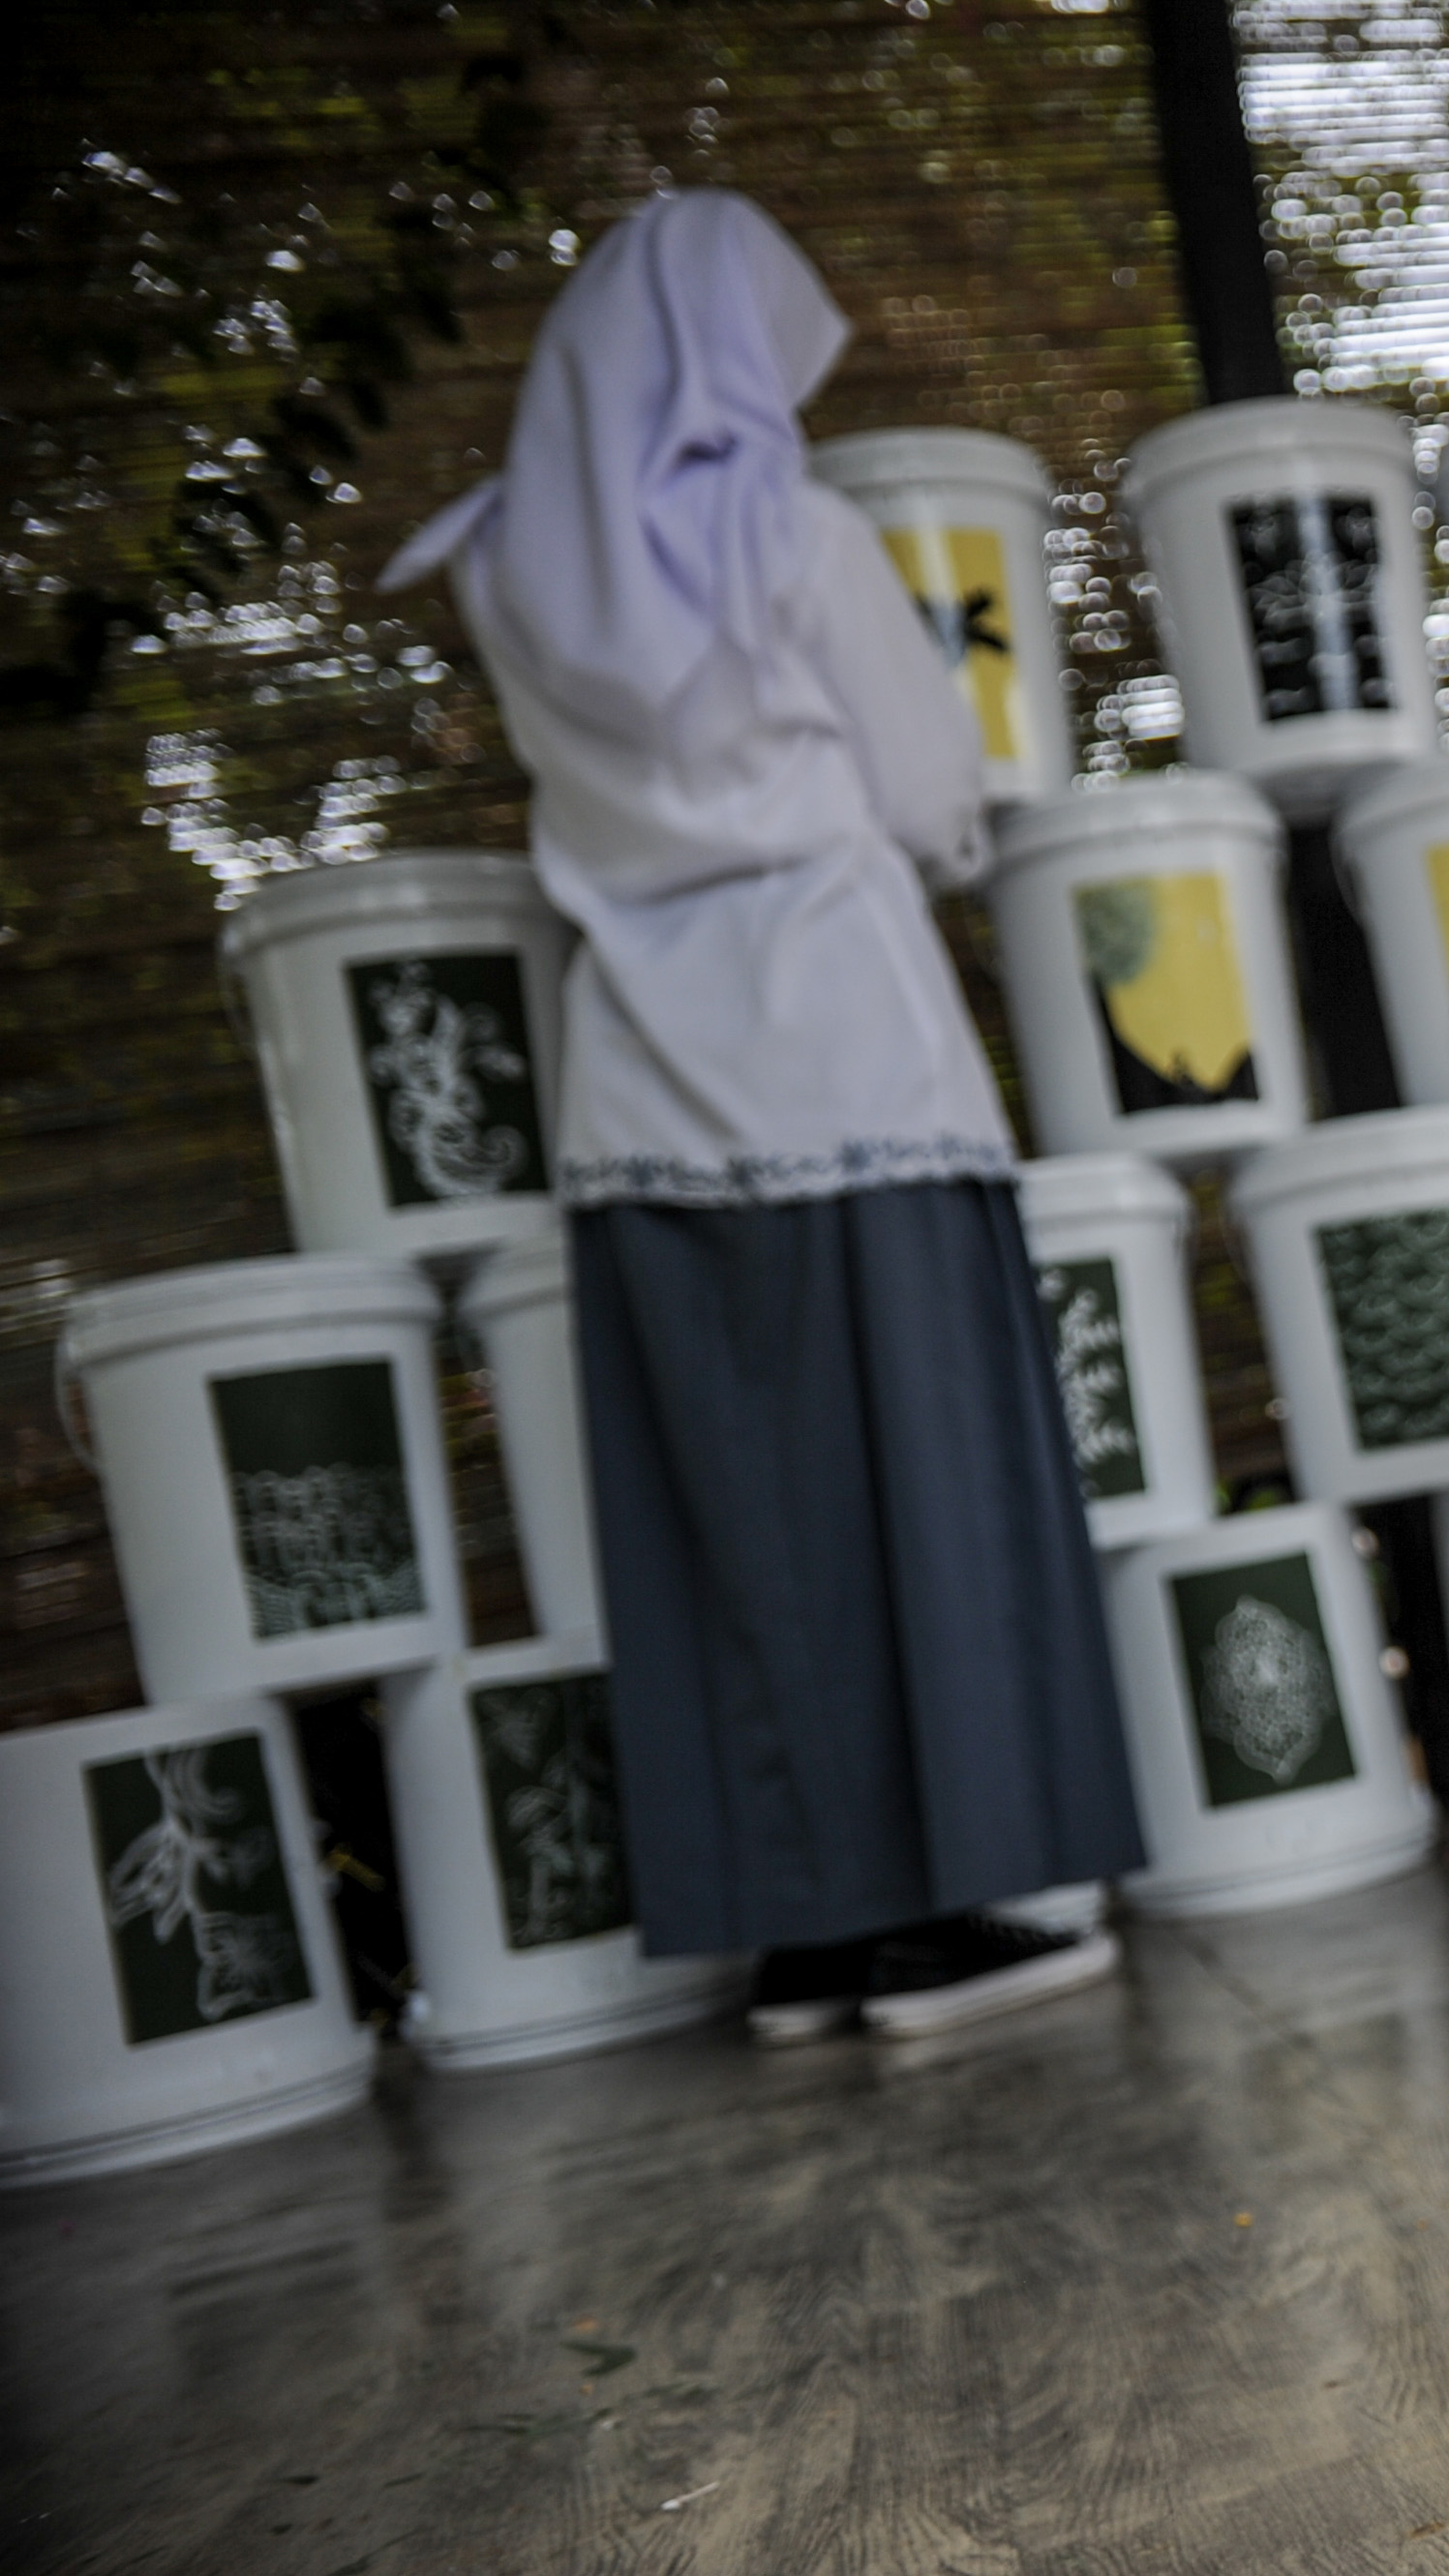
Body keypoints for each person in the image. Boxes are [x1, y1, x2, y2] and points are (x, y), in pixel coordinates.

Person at [383, 193, 1144, 2042]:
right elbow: (926, 793)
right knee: (931, 1480)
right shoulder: (791, 536)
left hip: (643, 1084)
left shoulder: (504, 565)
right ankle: (960, 1914)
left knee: (740, 1511)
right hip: (855, 1061)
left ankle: (808, 1936)